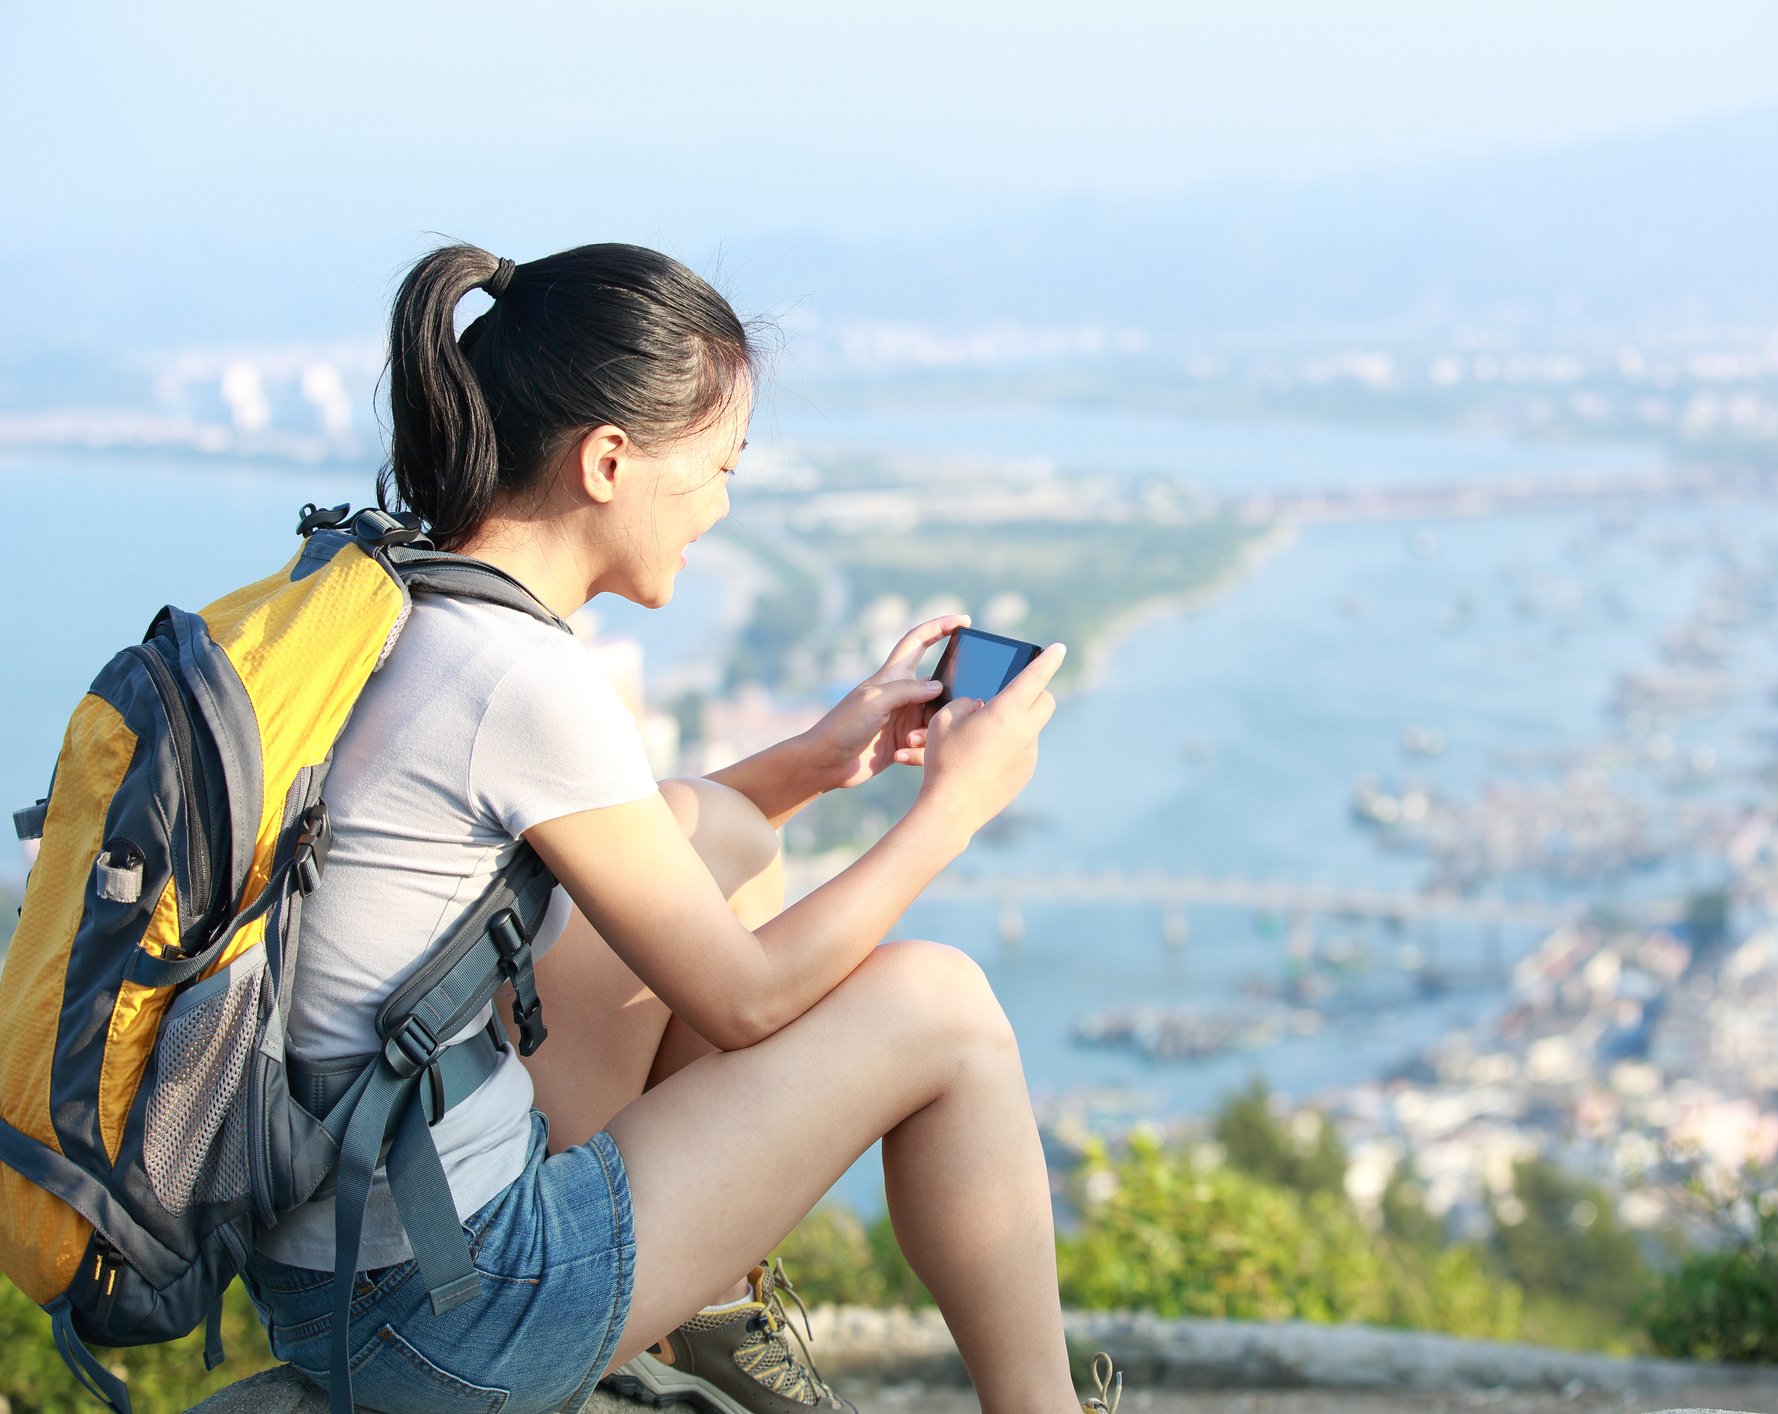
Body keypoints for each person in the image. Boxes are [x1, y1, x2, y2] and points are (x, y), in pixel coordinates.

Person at [238, 241, 1119, 1414]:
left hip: (338, 1270)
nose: (720, 504)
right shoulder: (527, 681)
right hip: (457, 1311)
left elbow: (647, 852)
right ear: (608, 462)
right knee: (944, 1006)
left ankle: (692, 1321)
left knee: (714, 830)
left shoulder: (399, 599)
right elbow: (742, 1001)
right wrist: (952, 809)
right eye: (715, 466)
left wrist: (816, 760)